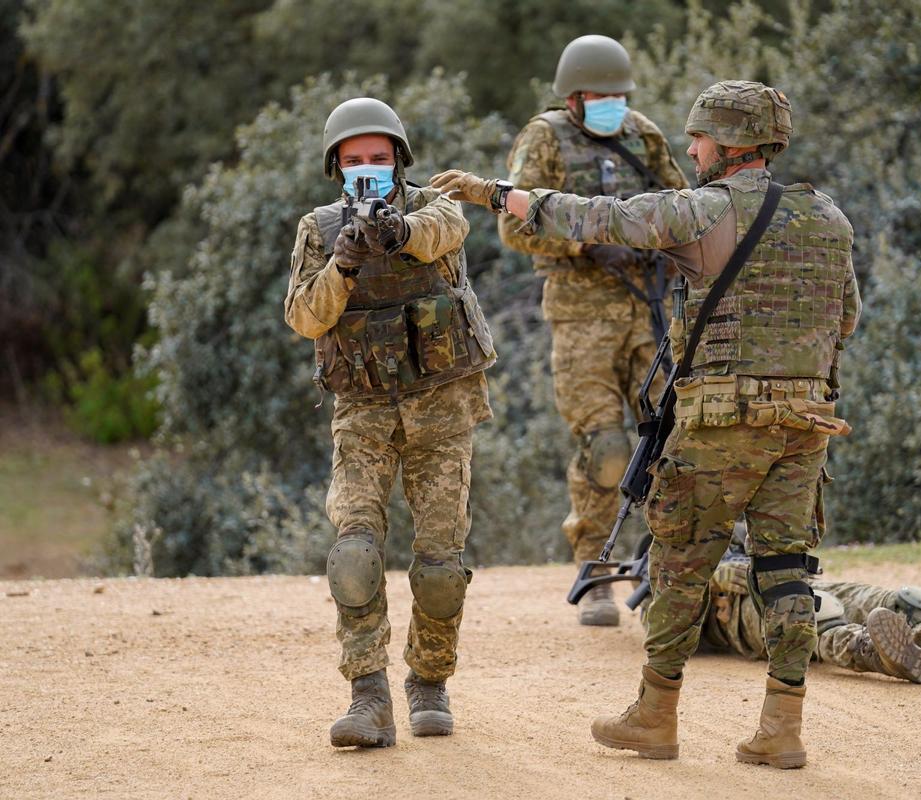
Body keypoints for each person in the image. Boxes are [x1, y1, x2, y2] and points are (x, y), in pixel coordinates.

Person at [432, 79, 861, 769]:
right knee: (786, 570)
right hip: (809, 421)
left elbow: (596, 218)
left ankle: (655, 717)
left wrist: (497, 194)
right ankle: (782, 728)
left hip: (722, 419)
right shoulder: (830, 218)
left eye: (699, 139)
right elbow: (845, 318)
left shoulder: (699, 212)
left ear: (730, 144)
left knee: (680, 566)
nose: (690, 149)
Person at [284, 97, 496, 747]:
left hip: (443, 405)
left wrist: (397, 234)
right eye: (355, 162)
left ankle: (429, 681)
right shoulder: (319, 230)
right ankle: (368, 695)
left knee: (438, 564)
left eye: (379, 159)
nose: (368, 170)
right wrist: (344, 263)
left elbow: (444, 233)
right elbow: (305, 318)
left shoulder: (436, 204)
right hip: (365, 410)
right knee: (354, 553)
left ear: (399, 161)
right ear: (336, 168)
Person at [498, 34, 688, 627]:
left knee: (674, 441)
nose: (612, 103)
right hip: (582, 317)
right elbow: (515, 225)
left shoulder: (643, 134)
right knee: (606, 450)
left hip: (651, 311)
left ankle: (670, 569)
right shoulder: (546, 138)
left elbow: (686, 206)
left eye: (618, 94)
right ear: (573, 96)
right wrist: (583, 241)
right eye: (599, 95)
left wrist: (659, 246)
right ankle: (597, 572)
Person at [703, 549, 921, 683]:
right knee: (817, 616)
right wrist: (712, 575)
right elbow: (662, 611)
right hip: (734, 611)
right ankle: (878, 654)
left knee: (904, 602)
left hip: (790, 577)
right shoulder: (660, 560)